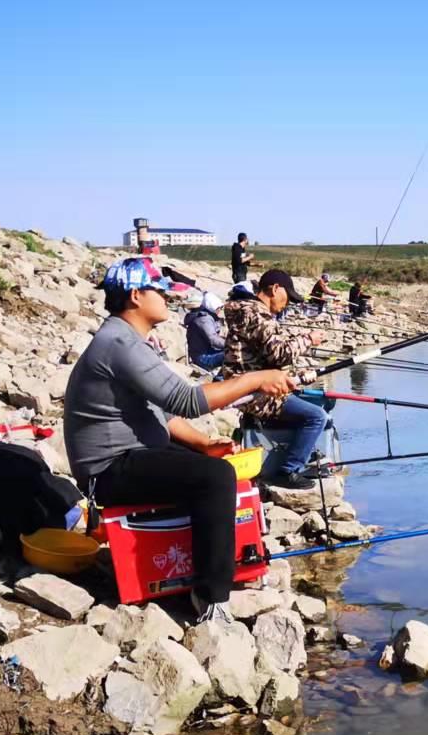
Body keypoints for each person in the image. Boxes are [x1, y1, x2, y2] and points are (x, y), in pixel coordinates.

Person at [65, 257, 296, 613]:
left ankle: (204, 566)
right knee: (217, 478)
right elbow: (186, 401)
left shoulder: (127, 339)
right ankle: (210, 598)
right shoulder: (119, 344)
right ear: (136, 296)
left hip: (131, 456)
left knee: (213, 464)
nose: (167, 298)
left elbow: (163, 413)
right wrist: (257, 378)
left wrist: (203, 444)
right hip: (108, 470)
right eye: (159, 291)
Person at [221, 269, 327, 490]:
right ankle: (288, 470)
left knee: (315, 402)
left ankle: (300, 458)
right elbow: (280, 354)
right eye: (286, 296)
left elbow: (269, 351)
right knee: (317, 417)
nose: (286, 303)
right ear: (275, 289)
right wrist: (308, 339)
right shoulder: (257, 314)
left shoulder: (247, 311)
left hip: (250, 385)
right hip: (255, 392)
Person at [183, 290, 228, 371]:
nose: (220, 310)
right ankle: (219, 379)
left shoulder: (207, 316)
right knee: (235, 355)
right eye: (219, 308)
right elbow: (213, 339)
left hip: (207, 352)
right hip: (203, 358)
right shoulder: (204, 319)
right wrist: (230, 344)